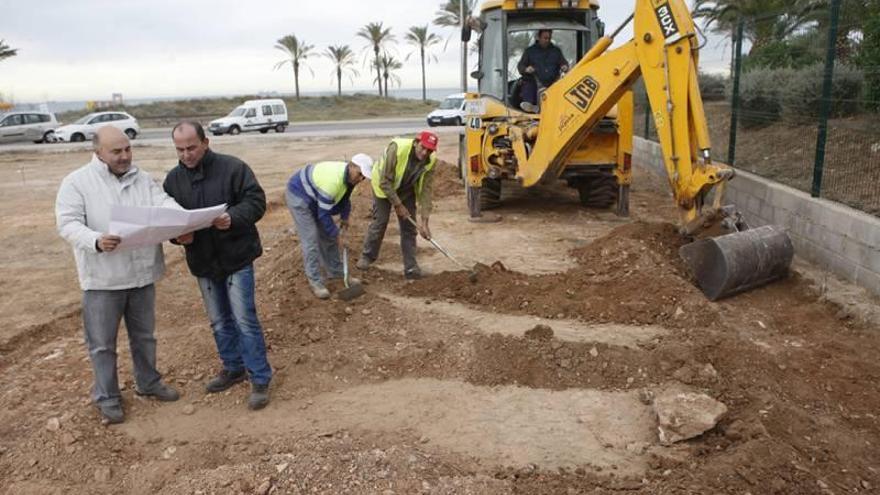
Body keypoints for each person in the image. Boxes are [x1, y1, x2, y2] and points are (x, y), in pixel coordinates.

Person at [55, 126, 180, 424]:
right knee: (102, 344)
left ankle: (148, 383)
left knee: (144, 337)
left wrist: (178, 218)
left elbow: (162, 204)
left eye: (127, 149)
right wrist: (96, 240)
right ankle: (107, 397)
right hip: (103, 279)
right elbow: (68, 224)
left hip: (141, 275)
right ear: (98, 152)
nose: (124, 156)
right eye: (116, 151)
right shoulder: (77, 183)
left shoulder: (142, 178)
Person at [163, 121, 272, 410]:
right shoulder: (172, 181)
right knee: (219, 321)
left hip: (236, 256)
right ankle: (233, 367)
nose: (186, 154)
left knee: (244, 319)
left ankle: (259, 378)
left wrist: (232, 217)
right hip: (203, 261)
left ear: (206, 142)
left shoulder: (233, 168)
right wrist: (178, 237)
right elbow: (167, 221)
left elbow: (257, 201)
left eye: (191, 148)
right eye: (180, 149)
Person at [286, 155, 373, 299]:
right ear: (352, 166)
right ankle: (315, 281)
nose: (360, 179)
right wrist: (337, 235)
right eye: (360, 174)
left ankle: (337, 272)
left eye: (363, 177)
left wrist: (345, 218)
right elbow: (323, 215)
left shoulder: (350, 178)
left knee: (328, 236)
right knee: (311, 239)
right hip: (299, 194)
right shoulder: (333, 182)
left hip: (315, 197)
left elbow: (345, 200)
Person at [357, 131, 438, 279]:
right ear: (416, 143)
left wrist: (425, 222)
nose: (425, 152)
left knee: (409, 228)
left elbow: (426, 191)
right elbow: (385, 181)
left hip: (406, 189)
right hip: (383, 186)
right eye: (423, 147)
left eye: (430, 150)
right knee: (380, 221)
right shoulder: (397, 148)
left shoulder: (431, 161)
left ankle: (411, 268)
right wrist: (398, 205)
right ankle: (367, 257)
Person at [517, 29, 570, 111]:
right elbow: (520, 66)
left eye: (549, 38)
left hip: (552, 83)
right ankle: (530, 106)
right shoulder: (529, 51)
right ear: (539, 37)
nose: (547, 40)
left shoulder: (556, 51)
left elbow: (564, 63)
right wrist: (526, 69)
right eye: (545, 38)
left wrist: (565, 66)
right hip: (534, 82)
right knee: (527, 83)